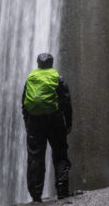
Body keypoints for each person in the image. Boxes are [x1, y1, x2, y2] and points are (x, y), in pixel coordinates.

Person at [22, 53, 72, 202]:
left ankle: (36, 196)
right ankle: (62, 191)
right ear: (52, 63)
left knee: (35, 158)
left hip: (34, 123)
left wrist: (27, 123)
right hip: (55, 121)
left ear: (38, 63)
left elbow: (24, 103)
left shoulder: (31, 78)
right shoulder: (57, 78)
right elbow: (66, 103)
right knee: (60, 154)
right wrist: (68, 123)